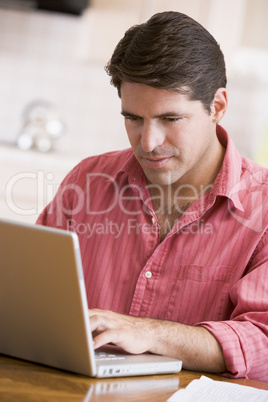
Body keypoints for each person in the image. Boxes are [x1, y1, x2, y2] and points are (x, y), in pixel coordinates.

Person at [36, 11, 268, 381]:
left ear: (218, 107)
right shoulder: (87, 181)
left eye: (170, 119)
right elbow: (32, 296)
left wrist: (150, 332)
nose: (148, 143)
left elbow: (264, 341)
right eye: (134, 118)